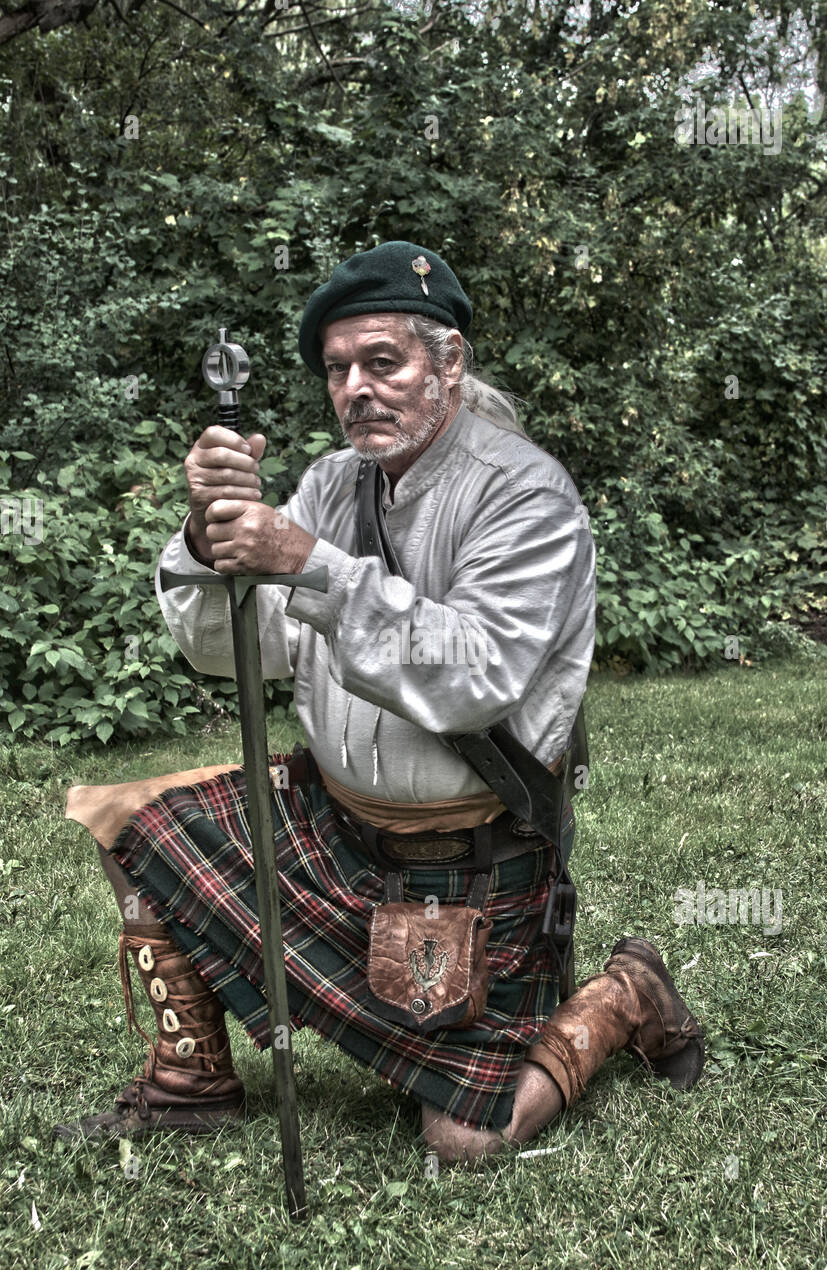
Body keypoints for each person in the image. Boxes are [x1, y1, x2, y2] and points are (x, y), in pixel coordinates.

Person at [58, 241, 704, 1161]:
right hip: (332, 827)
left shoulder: (527, 495)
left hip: (467, 864)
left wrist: (304, 563)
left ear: (448, 364)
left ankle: (620, 996)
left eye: (382, 362)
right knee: (137, 820)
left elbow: (473, 673)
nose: (355, 388)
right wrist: (208, 545)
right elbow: (233, 652)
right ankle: (190, 1076)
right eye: (337, 369)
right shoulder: (328, 483)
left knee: (465, 1140)